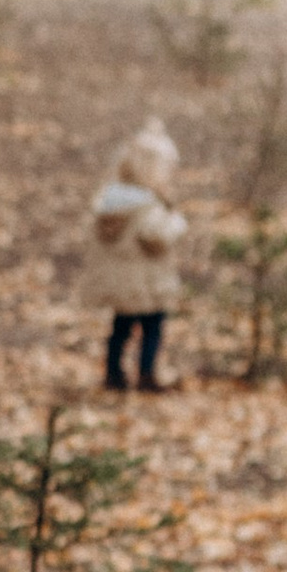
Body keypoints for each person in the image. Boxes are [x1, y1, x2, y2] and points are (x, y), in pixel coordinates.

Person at [89, 117, 186, 392]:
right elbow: (158, 236)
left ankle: (113, 372)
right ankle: (146, 373)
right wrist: (176, 220)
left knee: (120, 327)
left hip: (122, 284)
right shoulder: (148, 205)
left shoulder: (110, 200)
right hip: (147, 285)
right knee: (153, 328)